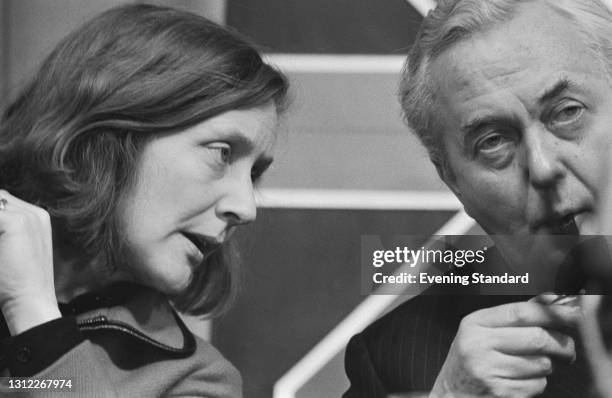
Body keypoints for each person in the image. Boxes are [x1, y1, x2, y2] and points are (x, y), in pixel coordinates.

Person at [0, 4, 288, 397]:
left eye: (254, 175)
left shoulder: (199, 381)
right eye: (222, 153)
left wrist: (35, 317)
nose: (246, 208)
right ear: (113, 132)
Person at [344, 0, 612, 396]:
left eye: (567, 112)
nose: (541, 167)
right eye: (493, 142)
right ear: (453, 181)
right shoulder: (401, 357)